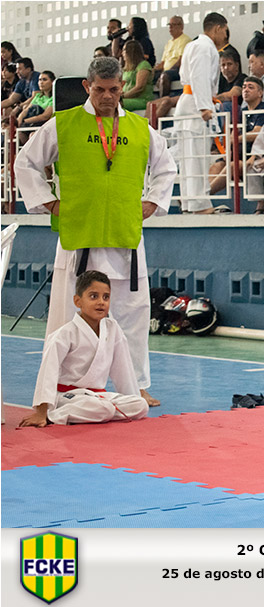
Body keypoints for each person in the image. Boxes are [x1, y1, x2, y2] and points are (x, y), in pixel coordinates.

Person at [14, 56, 177, 408]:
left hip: (125, 236)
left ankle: (137, 385)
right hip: (80, 236)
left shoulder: (140, 129)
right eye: (100, 90)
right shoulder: (63, 124)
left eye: (114, 90)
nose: (107, 97)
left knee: (133, 316)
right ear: (87, 87)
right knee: (67, 318)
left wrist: (153, 201)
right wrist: (48, 202)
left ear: (122, 87)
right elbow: (24, 162)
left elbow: (166, 167)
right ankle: (59, 387)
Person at [19, 271, 149, 427]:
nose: (101, 302)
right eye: (93, 296)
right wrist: (41, 411)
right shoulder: (65, 334)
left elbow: (123, 369)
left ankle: (96, 414)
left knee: (140, 404)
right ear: (78, 301)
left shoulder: (112, 328)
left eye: (106, 297)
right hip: (66, 395)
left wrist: (130, 396)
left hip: (95, 397)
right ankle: (53, 415)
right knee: (104, 408)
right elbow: (48, 372)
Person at [174, 12, 229, 214]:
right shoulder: (205, 47)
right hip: (196, 104)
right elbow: (200, 77)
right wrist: (205, 106)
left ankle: (189, 203)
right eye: (225, 31)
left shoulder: (194, 45)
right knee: (196, 158)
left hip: (190, 102)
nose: (225, 36)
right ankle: (199, 205)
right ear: (217, 28)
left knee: (189, 159)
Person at [209, 77, 264, 195]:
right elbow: (233, 133)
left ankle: (204, 195)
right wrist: (228, 149)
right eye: (244, 87)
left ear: (260, 93)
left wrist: (237, 139)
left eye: (250, 87)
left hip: (255, 157)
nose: (246, 90)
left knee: (233, 166)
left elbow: (257, 133)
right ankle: (205, 195)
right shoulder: (241, 111)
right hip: (239, 154)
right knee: (216, 166)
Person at [154, 16, 192, 98]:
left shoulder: (185, 40)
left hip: (178, 70)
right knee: (150, 75)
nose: (170, 28)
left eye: (173, 25)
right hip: (166, 71)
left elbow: (181, 61)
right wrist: (153, 70)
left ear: (181, 26)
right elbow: (163, 63)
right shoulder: (169, 43)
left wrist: (164, 72)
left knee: (165, 75)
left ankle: (163, 99)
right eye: (169, 25)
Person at [121, 40, 154, 112]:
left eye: (124, 50)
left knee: (117, 104)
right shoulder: (126, 69)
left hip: (142, 100)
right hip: (127, 99)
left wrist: (123, 96)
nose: (122, 53)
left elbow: (139, 88)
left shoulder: (144, 65)